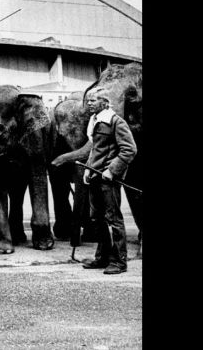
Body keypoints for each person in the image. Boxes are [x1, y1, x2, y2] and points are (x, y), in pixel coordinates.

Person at [80, 87, 137, 275]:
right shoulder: (94, 120)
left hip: (108, 179)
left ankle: (119, 262)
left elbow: (129, 149)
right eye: (88, 100)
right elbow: (96, 149)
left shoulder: (115, 122)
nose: (89, 103)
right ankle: (103, 257)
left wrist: (112, 171)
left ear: (104, 102)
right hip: (95, 175)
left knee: (113, 219)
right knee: (96, 218)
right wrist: (88, 170)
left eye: (93, 100)